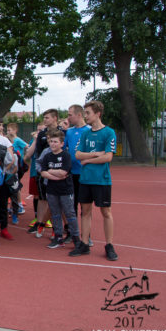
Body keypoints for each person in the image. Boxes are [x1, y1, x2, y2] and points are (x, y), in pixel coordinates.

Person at [72, 101, 118, 260]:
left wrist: (88, 160)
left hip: (102, 180)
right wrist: (96, 154)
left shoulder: (109, 133)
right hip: (85, 179)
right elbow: (77, 155)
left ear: (97, 114)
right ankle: (84, 244)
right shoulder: (85, 134)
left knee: (106, 212)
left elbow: (108, 157)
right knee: (85, 212)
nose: (85, 116)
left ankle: (109, 245)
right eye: (85, 113)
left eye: (88, 113)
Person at [25, 109, 64, 238]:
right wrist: (41, 170)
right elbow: (38, 154)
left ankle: (57, 227)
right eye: (44, 118)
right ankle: (39, 223)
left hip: (58, 173)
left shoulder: (63, 132)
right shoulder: (42, 134)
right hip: (43, 172)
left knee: (56, 201)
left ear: (55, 118)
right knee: (42, 199)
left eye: (47, 117)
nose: (45, 120)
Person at [39, 130, 80, 249]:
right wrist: (55, 176)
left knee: (69, 213)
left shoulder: (66, 155)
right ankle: (58, 237)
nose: (53, 144)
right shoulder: (47, 156)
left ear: (62, 143)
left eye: (55, 142)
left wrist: (51, 171)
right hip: (52, 190)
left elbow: (64, 172)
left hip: (65, 190)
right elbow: (43, 173)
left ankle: (76, 237)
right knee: (55, 213)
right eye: (51, 141)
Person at [65, 104, 90, 243]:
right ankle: (71, 233)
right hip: (71, 174)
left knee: (85, 207)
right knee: (71, 206)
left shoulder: (89, 130)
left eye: (70, 115)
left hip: (85, 174)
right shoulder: (69, 132)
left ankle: (87, 235)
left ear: (79, 115)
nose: (68, 117)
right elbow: (63, 148)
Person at [6, 122, 28, 215]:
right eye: (7, 130)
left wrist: (23, 157)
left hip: (17, 166)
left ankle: (19, 205)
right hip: (11, 166)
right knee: (11, 185)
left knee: (16, 185)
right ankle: (13, 205)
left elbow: (27, 146)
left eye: (9, 130)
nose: (8, 132)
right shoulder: (8, 140)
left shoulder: (17, 140)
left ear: (15, 130)